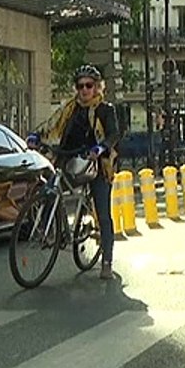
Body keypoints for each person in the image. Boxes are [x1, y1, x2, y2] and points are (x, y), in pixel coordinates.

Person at [28, 65, 121, 280]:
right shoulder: (69, 108)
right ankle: (52, 231)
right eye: (80, 86)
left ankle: (106, 260)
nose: (84, 90)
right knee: (51, 188)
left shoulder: (106, 110)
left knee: (102, 210)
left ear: (97, 87)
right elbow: (51, 124)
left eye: (89, 85)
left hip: (97, 164)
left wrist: (101, 147)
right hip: (70, 159)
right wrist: (36, 135)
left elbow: (114, 133)